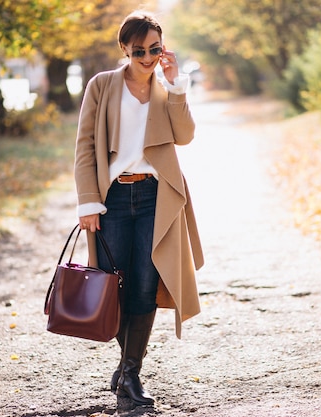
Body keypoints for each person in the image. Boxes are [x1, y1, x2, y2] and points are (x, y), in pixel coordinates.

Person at [74, 10, 204, 407]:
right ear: (125, 49)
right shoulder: (102, 86)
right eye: (139, 50)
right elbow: (83, 148)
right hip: (111, 199)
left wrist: (176, 83)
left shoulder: (168, 87)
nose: (147, 57)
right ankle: (127, 363)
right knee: (114, 285)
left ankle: (131, 374)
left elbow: (185, 136)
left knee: (146, 286)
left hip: (155, 197)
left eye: (155, 49)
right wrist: (87, 202)